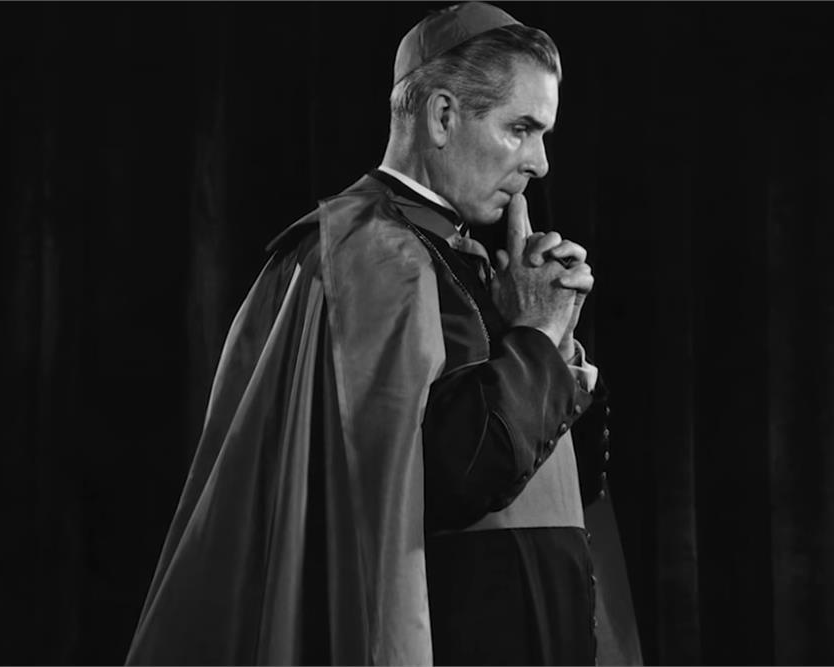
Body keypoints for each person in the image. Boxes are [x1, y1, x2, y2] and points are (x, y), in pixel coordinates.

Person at [126, 3, 640, 665]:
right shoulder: (371, 255)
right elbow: (449, 481)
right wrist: (536, 337)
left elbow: (558, 479)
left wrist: (555, 346)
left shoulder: (467, 259)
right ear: (443, 116)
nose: (540, 163)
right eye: (521, 129)